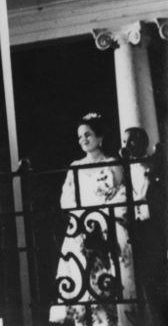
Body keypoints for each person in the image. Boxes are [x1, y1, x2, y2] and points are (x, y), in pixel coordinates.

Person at [50, 113, 136, 326]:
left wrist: (102, 219)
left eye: (87, 135)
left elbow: (121, 196)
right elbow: (66, 199)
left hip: (107, 229)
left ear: (99, 137)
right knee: (81, 284)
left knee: (107, 285)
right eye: (79, 137)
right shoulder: (75, 166)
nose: (83, 140)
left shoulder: (112, 163)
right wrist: (83, 220)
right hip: (81, 229)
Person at [119, 127, 165, 325]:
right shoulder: (127, 168)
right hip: (136, 228)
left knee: (158, 278)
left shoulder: (153, 165)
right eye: (124, 142)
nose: (127, 146)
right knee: (143, 281)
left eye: (130, 142)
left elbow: (148, 196)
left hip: (153, 227)